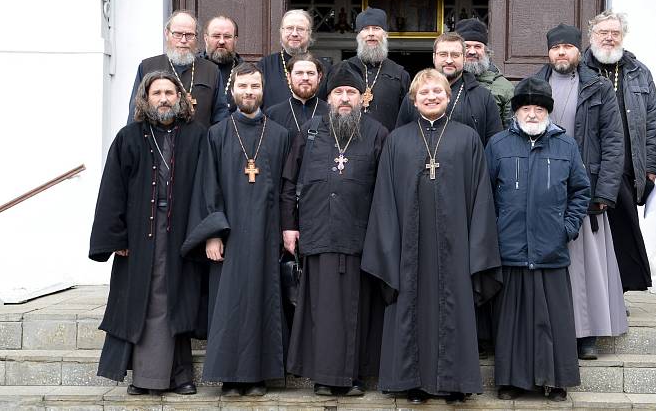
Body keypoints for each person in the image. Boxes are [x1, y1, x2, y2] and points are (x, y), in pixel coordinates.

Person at [362, 68, 502, 405]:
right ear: (413, 100)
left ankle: (456, 384)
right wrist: (387, 245)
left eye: (437, 91)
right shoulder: (398, 140)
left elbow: (481, 196)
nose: (431, 97)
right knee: (410, 306)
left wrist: (477, 246)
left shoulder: (467, 138)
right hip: (408, 246)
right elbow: (383, 198)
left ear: (448, 96)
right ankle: (412, 383)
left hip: (456, 244)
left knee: (455, 308)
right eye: (424, 93)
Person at [90, 71, 205, 396]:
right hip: (141, 235)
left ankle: (181, 375)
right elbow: (112, 190)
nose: (164, 98)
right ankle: (144, 378)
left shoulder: (196, 135)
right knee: (145, 299)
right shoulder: (129, 136)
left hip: (182, 231)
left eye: (170, 92)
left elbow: (207, 184)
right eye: (158, 93)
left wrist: (203, 231)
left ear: (180, 98)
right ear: (146, 98)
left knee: (178, 299)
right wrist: (116, 239)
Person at [181, 62, 290, 396]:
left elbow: (286, 189)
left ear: (263, 90)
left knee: (263, 301)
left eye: (255, 87)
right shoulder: (217, 134)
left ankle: (259, 376)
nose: (249, 92)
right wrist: (212, 232)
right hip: (228, 236)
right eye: (243, 87)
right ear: (232, 91)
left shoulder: (280, 134)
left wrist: (286, 231)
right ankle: (230, 377)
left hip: (267, 236)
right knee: (228, 305)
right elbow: (206, 186)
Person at [282, 63, 388, 397]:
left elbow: (387, 189)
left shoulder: (377, 133)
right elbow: (288, 185)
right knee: (321, 311)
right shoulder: (310, 131)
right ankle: (323, 377)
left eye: (351, 93)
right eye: (338, 92)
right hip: (318, 234)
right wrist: (289, 226)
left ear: (362, 99)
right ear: (329, 98)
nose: (345, 98)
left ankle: (353, 376)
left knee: (357, 309)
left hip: (360, 236)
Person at [486, 76, 590, 402]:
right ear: (516, 112)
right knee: (512, 323)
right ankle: (509, 381)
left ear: (548, 112)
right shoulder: (498, 144)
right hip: (511, 248)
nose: (532, 114)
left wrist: (567, 228)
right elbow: (485, 195)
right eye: (526, 108)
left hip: (551, 249)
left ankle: (555, 381)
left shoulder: (566, 145)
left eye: (539, 108)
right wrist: (495, 232)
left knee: (553, 321)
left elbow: (580, 191)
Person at [533, 24, 627, 359]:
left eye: (567, 47)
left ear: (578, 51)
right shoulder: (533, 86)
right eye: (555, 47)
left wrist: (604, 192)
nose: (561, 53)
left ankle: (587, 334)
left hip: (583, 191)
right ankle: (552, 330)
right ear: (548, 52)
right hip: (541, 191)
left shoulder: (598, 88)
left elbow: (615, 144)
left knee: (586, 266)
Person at [582, 10, 656, 294]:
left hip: (627, 167)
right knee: (589, 234)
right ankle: (591, 294)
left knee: (623, 232)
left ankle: (618, 294)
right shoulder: (581, 69)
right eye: (603, 33)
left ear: (622, 37)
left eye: (615, 33)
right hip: (588, 166)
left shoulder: (640, 72)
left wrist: (650, 166)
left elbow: (652, 122)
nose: (609, 38)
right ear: (592, 36)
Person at [396, 32, 502, 145]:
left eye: (455, 55)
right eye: (443, 54)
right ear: (434, 57)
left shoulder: (483, 97)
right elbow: (400, 140)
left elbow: (495, 145)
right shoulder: (414, 96)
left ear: (464, 58)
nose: (449, 60)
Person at [127, 10, 227, 127]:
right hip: (155, 143)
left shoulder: (211, 70)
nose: (183, 40)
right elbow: (136, 112)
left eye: (189, 35)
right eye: (177, 34)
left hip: (200, 143)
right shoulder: (148, 67)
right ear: (167, 34)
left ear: (196, 37)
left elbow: (221, 116)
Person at [331, 7, 411, 131]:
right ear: (358, 35)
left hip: (386, 146)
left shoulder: (400, 74)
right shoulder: (341, 70)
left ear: (385, 34)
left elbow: (407, 118)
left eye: (376, 28)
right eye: (365, 29)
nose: (371, 33)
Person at [257, 9, 330, 110]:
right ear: (281, 32)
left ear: (309, 33)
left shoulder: (325, 67)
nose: (294, 33)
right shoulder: (265, 65)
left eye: (300, 29)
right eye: (289, 28)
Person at [456, 18, 514, 128]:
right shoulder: (444, 83)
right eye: (466, 46)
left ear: (486, 51)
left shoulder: (505, 88)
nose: (472, 51)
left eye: (478, 46)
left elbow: (510, 131)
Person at [266, 53, 328, 137]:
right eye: (299, 73)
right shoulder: (273, 114)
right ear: (289, 77)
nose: (305, 78)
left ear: (319, 77)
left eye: (310, 73)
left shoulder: (331, 113)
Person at [202, 15, 243, 112]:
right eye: (216, 36)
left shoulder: (245, 71)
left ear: (235, 40)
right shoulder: (193, 68)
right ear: (206, 38)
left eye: (227, 36)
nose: (221, 41)